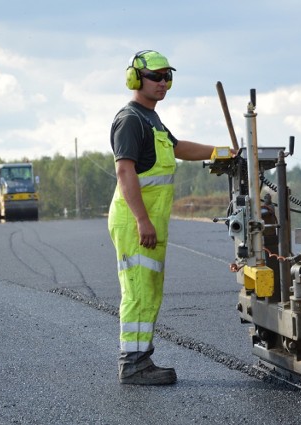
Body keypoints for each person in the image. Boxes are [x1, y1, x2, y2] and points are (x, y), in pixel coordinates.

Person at [107, 50, 217, 385]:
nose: (163, 83)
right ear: (135, 79)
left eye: (167, 76)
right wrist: (142, 220)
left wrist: (221, 152)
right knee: (138, 292)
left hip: (148, 221)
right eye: (156, 76)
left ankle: (141, 358)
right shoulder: (131, 119)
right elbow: (125, 171)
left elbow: (178, 146)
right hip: (135, 221)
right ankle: (133, 365)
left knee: (149, 290)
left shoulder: (151, 119)